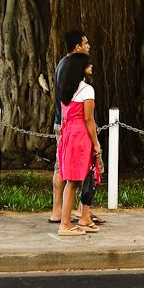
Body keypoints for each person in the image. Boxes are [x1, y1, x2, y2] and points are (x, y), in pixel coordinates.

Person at [56, 53, 101, 236]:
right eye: (88, 65)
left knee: (72, 180)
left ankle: (75, 220)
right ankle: (65, 224)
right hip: (80, 136)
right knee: (74, 181)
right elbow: (88, 119)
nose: (91, 67)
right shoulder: (87, 90)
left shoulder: (66, 88)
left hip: (68, 133)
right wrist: (96, 143)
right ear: (81, 68)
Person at [49, 30, 91, 223]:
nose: (88, 46)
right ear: (77, 47)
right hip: (70, 126)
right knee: (67, 168)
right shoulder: (70, 68)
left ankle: (70, 210)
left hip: (65, 123)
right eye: (85, 43)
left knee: (64, 167)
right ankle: (62, 212)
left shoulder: (64, 64)